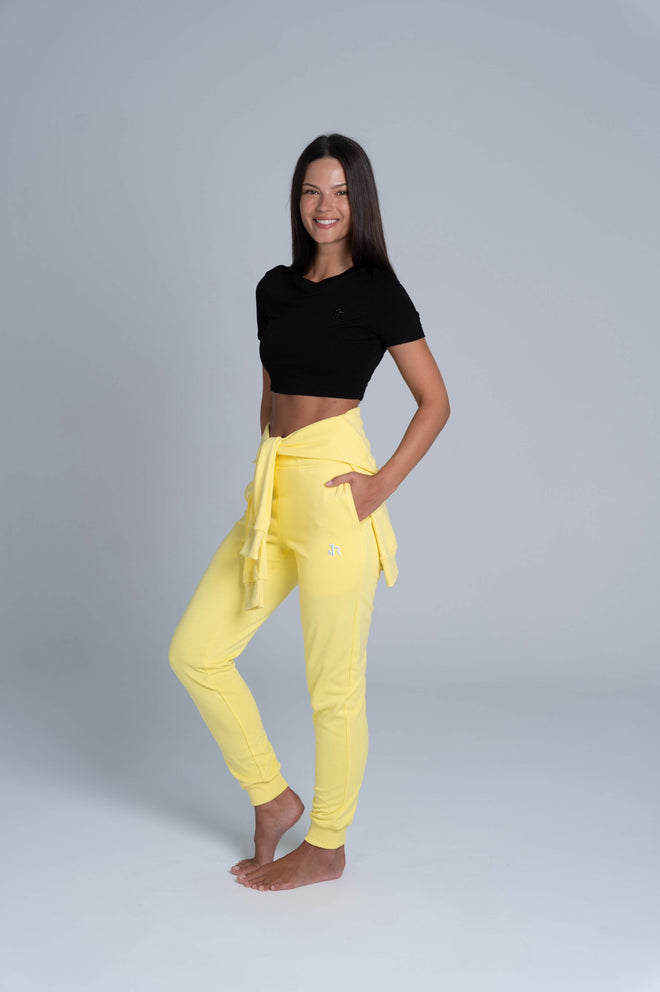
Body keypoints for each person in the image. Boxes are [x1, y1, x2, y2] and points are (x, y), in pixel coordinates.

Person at [168, 133, 450, 891]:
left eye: (341, 192)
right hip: (273, 489)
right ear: (297, 200)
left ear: (361, 202)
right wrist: (266, 475)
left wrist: (378, 487)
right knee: (195, 652)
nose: (325, 206)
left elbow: (435, 402)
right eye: (311, 191)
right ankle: (272, 795)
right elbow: (271, 390)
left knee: (333, 684)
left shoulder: (379, 292)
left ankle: (327, 843)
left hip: (334, 494)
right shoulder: (274, 288)